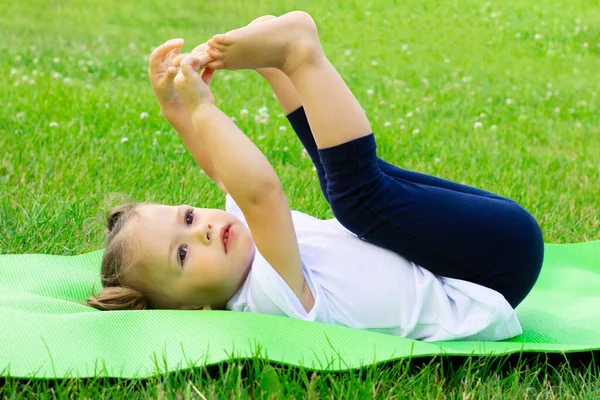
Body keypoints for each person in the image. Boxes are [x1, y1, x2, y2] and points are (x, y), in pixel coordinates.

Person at [87, 12, 544, 341]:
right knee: (357, 199)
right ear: (192, 309)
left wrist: (175, 107)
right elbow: (259, 190)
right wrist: (203, 107)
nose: (203, 230)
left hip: (478, 246)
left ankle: (277, 64)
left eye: (188, 217)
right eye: (182, 253)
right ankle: (299, 56)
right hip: (492, 272)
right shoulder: (265, 297)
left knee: (346, 186)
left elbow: (226, 176)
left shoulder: (244, 253)